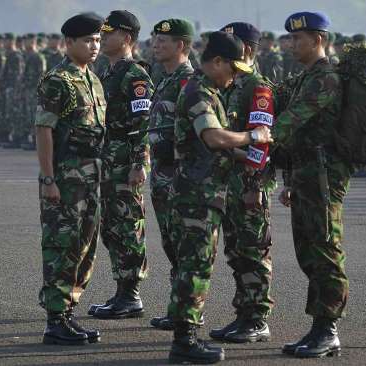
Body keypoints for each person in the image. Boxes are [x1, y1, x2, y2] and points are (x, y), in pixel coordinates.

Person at [166, 31, 272, 364]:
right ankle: (185, 341)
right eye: (233, 68)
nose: (237, 75)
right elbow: (212, 138)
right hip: (197, 195)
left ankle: (187, 336)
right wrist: (252, 136)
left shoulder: (211, 89)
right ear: (216, 62)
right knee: (194, 267)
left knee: (198, 265)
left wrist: (251, 157)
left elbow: (219, 148)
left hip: (207, 192)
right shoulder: (200, 91)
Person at [272, 11, 348, 359]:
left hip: (323, 174)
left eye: (297, 39)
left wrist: (256, 137)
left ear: (317, 40)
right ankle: (318, 326)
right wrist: (288, 179)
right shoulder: (307, 76)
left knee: (324, 249)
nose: (291, 45)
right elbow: (297, 134)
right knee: (308, 250)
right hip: (305, 173)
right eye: (289, 39)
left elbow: (294, 118)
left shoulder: (326, 77)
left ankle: (328, 328)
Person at [35, 12, 106, 346]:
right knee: (61, 248)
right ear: (69, 43)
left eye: (97, 40)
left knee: (84, 249)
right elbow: (44, 130)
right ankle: (55, 320)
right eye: (87, 41)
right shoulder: (58, 80)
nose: (94, 46)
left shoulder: (92, 78)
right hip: (64, 179)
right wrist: (48, 179)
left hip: (91, 179)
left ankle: (67, 312)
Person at [208, 22, 275, 344]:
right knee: (236, 252)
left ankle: (257, 318)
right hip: (228, 181)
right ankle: (243, 315)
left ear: (246, 48)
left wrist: (254, 185)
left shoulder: (256, 86)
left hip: (247, 182)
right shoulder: (228, 84)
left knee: (253, 251)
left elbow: (261, 142)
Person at [88, 10, 152, 320]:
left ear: (126, 38)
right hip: (109, 163)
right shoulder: (109, 72)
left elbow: (143, 122)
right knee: (111, 227)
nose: (102, 38)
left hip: (126, 164)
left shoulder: (135, 75)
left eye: (108, 33)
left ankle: (131, 294)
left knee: (128, 226)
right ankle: (121, 291)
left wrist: (140, 162)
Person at [146, 18, 197, 331]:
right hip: (162, 174)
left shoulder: (189, 81)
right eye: (155, 40)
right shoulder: (164, 78)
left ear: (180, 45)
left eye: (163, 41)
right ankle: (178, 307)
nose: (155, 45)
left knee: (185, 246)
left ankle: (189, 311)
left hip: (181, 176)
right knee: (171, 244)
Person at [21, 33, 47, 150]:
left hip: (35, 91)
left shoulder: (38, 57)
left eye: (28, 41)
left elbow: (42, 76)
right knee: (28, 115)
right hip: (27, 89)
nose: (25, 43)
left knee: (35, 116)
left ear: (33, 42)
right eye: (25, 41)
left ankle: (37, 141)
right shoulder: (26, 56)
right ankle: (31, 139)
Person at [1, 33, 25, 149]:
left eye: (6, 41)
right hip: (9, 88)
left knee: (16, 114)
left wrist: (17, 90)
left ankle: (17, 138)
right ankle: (14, 137)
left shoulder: (16, 56)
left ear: (11, 42)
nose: (4, 43)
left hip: (15, 89)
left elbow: (19, 75)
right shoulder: (10, 55)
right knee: (11, 113)